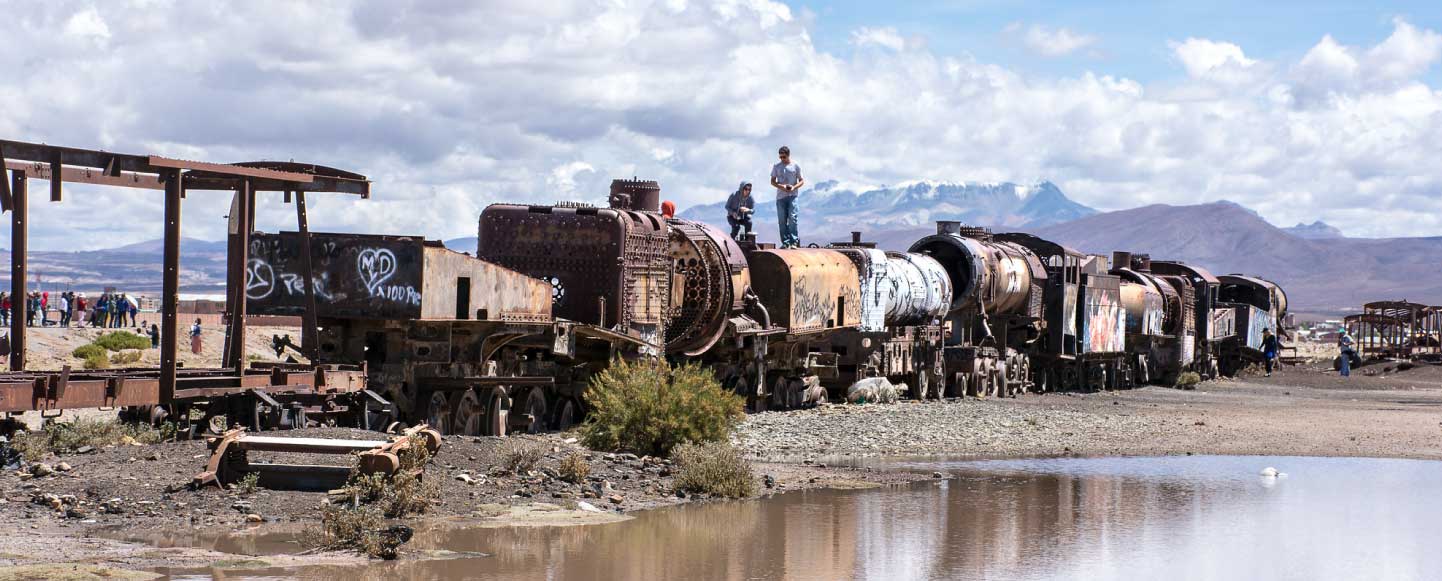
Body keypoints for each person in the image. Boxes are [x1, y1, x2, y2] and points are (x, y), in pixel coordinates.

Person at [770, 145, 804, 248]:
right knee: (782, 220)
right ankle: (785, 242)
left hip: (793, 196)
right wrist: (781, 186)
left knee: (792, 218)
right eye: (780, 157)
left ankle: (793, 242)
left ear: (788, 155)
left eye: (784, 157)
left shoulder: (795, 166)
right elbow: (772, 181)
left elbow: (802, 181)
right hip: (781, 197)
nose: (782, 159)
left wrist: (793, 187)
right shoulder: (776, 166)